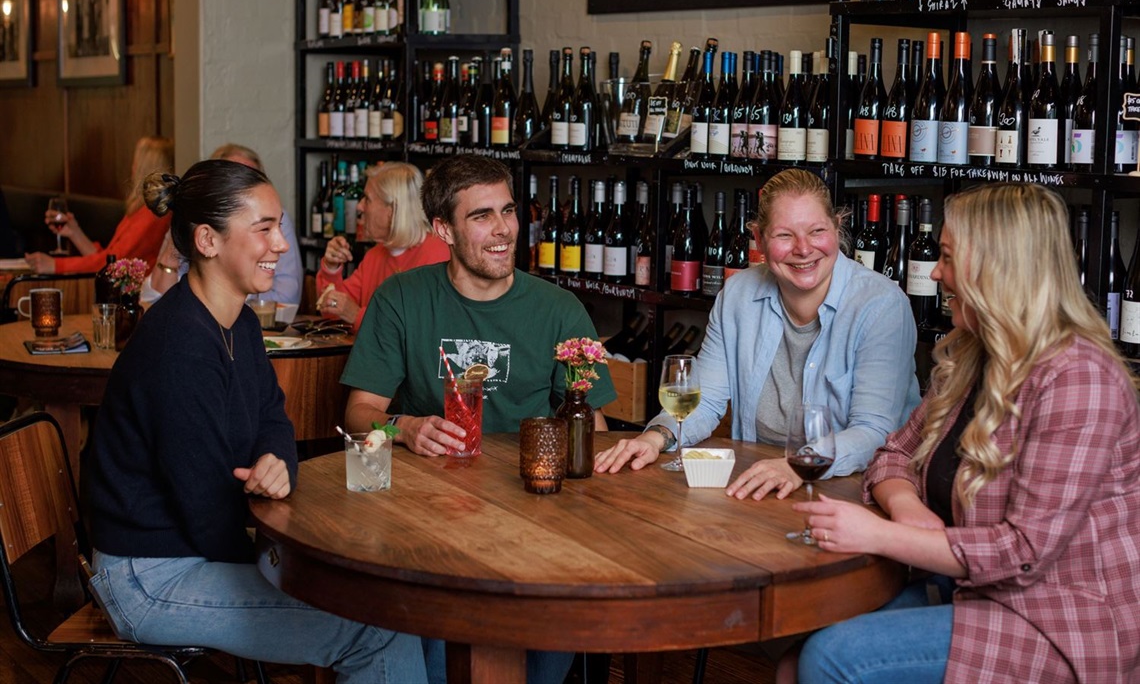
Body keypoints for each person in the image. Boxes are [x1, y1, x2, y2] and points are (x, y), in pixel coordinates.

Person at [83, 159, 428, 684]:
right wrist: (275, 565)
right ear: (207, 240)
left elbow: (274, 416)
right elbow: (202, 505)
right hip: (149, 576)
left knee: (382, 603)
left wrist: (277, 460)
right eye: (264, 229)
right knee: (377, 626)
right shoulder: (177, 345)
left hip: (194, 549)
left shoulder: (238, 320)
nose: (282, 245)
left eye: (280, 226)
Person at [795, 183, 1140, 684]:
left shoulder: (1080, 378)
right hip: (969, 588)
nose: (934, 272)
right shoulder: (975, 354)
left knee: (828, 659)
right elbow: (893, 453)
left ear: (997, 270)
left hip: (1057, 619)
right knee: (798, 648)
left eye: (948, 257)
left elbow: (1022, 554)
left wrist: (880, 534)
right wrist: (908, 509)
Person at [339, 154, 616, 684]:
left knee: (540, 650)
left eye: (507, 211)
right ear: (442, 229)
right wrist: (407, 428)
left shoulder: (559, 309)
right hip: (432, 522)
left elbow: (592, 432)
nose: (503, 230)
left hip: (537, 523)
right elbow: (359, 415)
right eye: (481, 216)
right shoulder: (401, 297)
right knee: (443, 652)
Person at [595, 169, 921, 499]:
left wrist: (798, 463)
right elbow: (704, 400)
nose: (804, 249)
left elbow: (875, 432)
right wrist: (657, 437)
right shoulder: (738, 295)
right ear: (759, 238)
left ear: (837, 228)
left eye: (817, 231)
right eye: (784, 235)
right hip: (760, 483)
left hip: (854, 491)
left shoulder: (880, 306)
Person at [143, 143, 303, 305]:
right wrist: (181, 227)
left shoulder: (244, 322)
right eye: (264, 229)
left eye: (251, 177)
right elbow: (154, 301)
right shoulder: (184, 323)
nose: (283, 245)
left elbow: (287, 298)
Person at [316, 161, 450, 330]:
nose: (359, 206)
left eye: (368, 199)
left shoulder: (438, 255)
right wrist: (331, 268)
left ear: (393, 209)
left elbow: (418, 330)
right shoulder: (375, 255)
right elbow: (331, 313)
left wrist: (357, 315)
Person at [25, 136, 173, 273]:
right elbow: (108, 258)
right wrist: (74, 233)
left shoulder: (152, 214)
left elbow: (112, 264)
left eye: (136, 161)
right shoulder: (141, 209)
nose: (132, 167)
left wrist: (55, 265)